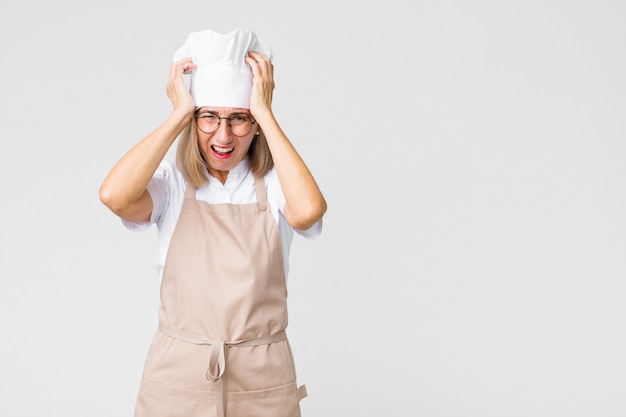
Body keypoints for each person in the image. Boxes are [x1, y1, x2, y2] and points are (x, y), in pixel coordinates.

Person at [99, 28, 327, 417]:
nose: (223, 135)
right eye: (208, 118)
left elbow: (308, 211)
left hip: (262, 381)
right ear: (194, 119)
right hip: (178, 380)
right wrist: (178, 115)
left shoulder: (275, 186)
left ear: (254, 123)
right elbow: (114, 196)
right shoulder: (171, 185)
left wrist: (266, 113)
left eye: (239, 118)